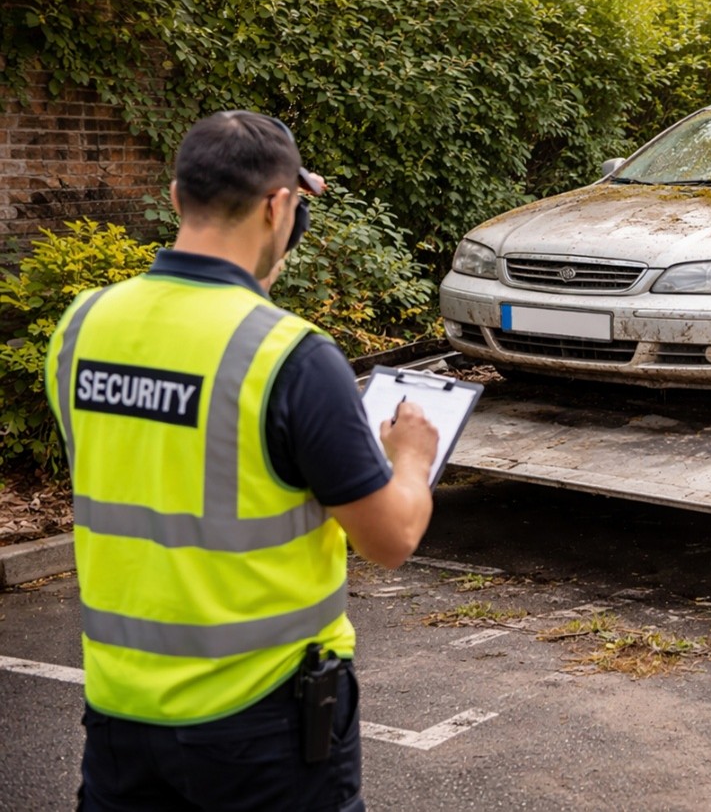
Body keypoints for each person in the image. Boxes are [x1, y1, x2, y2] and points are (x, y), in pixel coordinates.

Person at [44, 110, 440, 810]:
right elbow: (391, 538)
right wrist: (408, 457)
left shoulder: (82, 326)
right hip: (264, 725)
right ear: (279, 207)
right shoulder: (291, 356)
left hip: (119, 713)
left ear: (174, 197)